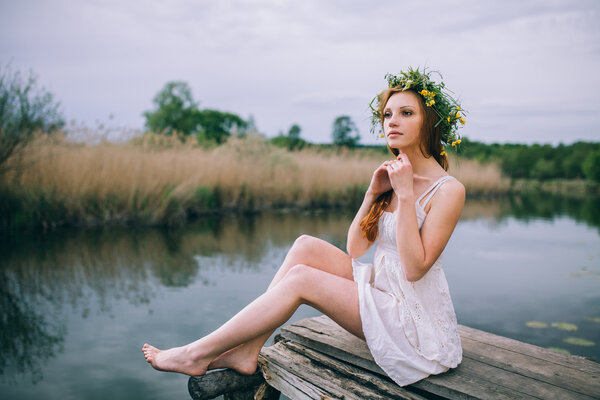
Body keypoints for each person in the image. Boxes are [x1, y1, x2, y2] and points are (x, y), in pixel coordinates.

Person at [143, 67, 466, 387]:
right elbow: (356, 249)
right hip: (383, 287)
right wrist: (372, 193)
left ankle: (194, 354)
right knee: (305, 245)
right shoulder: (394, 175)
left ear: (431, 123)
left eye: (406, 113)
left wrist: (406, 195)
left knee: (302, 279)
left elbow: (414, 270)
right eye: (387, 114)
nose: (392, 121)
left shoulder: (448, 190)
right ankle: (249, 349)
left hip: (411, 322)